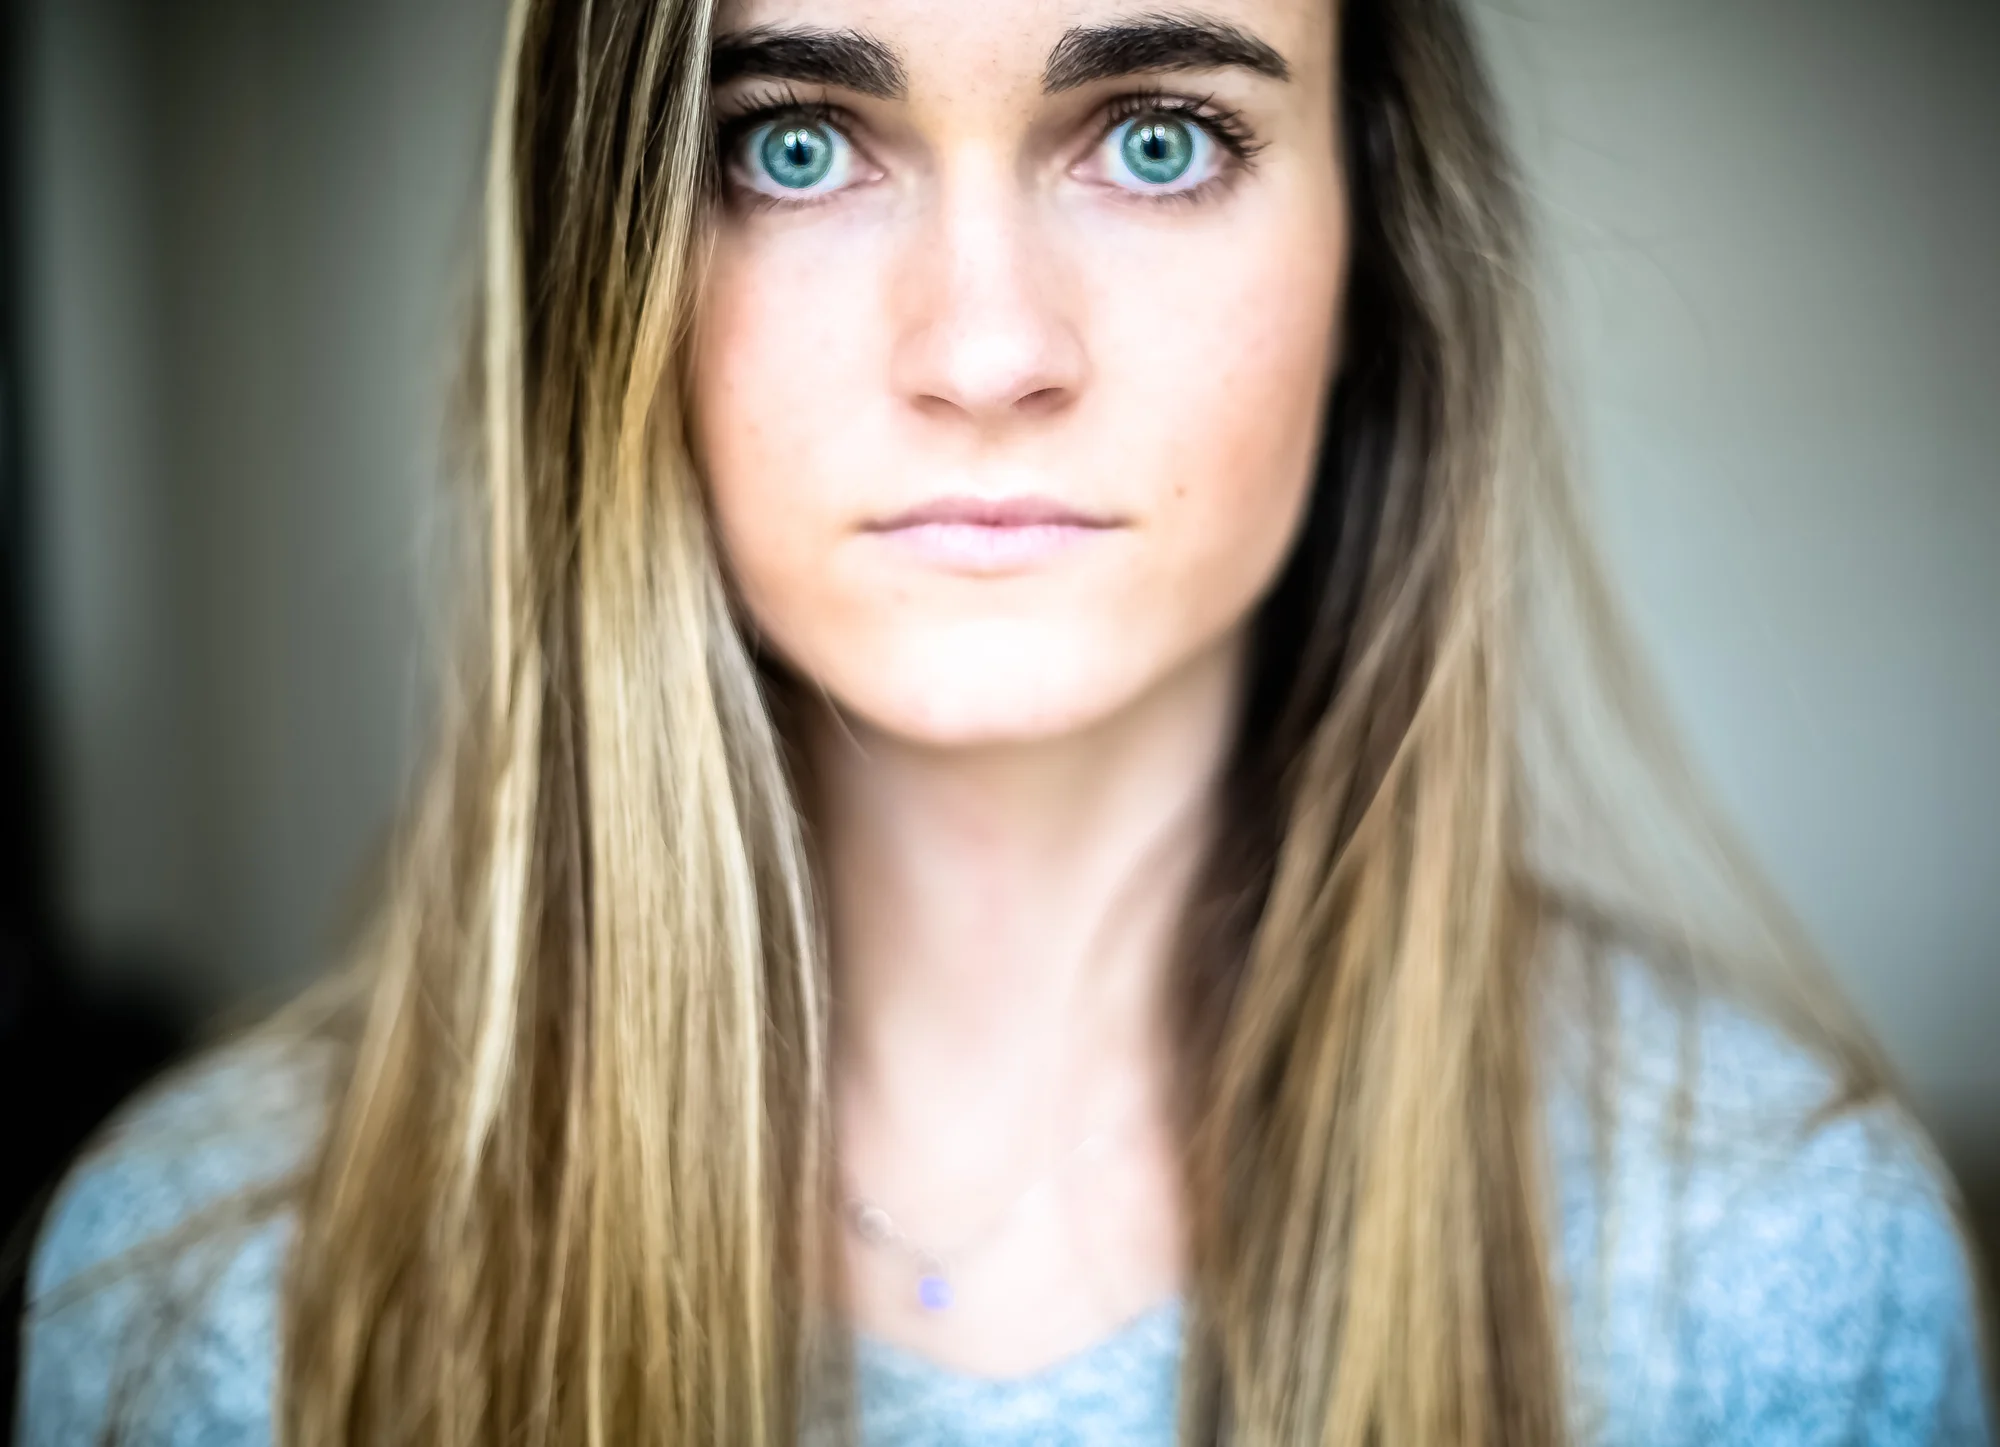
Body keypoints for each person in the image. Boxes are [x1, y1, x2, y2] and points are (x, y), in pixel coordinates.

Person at [14, 0, 1993, 1442]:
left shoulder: (1770, 1269)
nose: (984, 350)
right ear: (604, 272)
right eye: (795, 141)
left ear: (1373, 246)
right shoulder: (210, 1299)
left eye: (1160, 137)